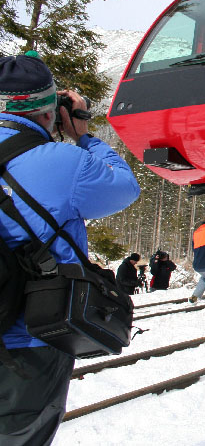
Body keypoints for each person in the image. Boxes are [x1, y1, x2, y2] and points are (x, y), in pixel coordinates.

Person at [0, 51, 140, 445]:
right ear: (49, 109)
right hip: (29, 339)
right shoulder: (62, 161)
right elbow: (124, 186)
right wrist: (82, 133)